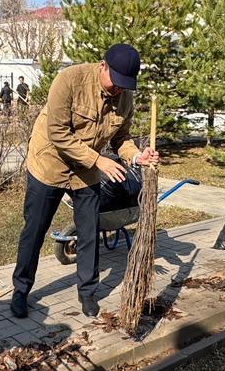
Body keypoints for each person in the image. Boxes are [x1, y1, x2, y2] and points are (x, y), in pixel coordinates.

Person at [12, 44, 160, 318]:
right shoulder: (69, 80)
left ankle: (87, 293)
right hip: (49, 162)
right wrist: (100, 161)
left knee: (89, 230)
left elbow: (121, 139)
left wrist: (137, 156)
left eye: (124, 85)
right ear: (102, 66)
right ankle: (21, 290)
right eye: (115, 82)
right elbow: (57, 133)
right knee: (34, 229)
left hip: (86, 170)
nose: (118, 90)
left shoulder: (124, 97)